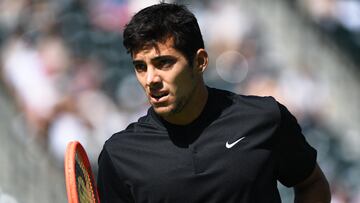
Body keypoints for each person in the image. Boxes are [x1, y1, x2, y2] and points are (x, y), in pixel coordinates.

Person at [97, 3, 331, 202]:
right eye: (141, 67)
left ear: (200, 61)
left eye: (164, 63)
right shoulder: (119, 155)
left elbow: (311, 184)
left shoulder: (265, 118)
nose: (151, 79)